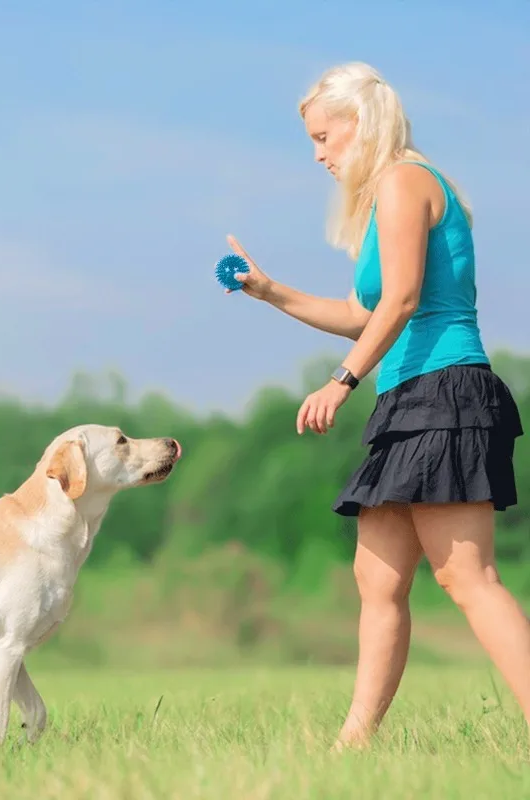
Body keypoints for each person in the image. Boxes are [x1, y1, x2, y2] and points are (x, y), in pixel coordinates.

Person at [227, 61, 526, 749]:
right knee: (378, 577)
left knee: (468, 578)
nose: (318, 155)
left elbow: (404, 300)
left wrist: (341, 381)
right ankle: (354, 745)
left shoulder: (403, 181)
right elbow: (366, 311)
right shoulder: (383, 200)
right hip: (409, 397)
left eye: (324, 137)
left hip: (444, 391)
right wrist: (272, 292)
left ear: (361, 125)